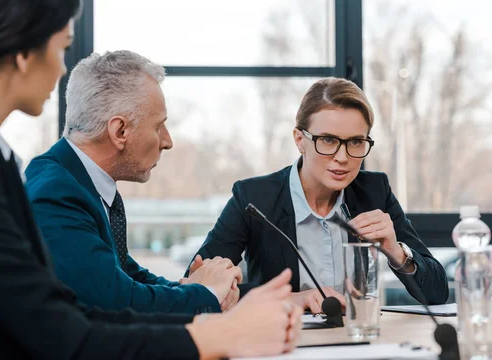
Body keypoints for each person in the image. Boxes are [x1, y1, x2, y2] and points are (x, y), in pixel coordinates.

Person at [0, 0, 301, 359]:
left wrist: (216, 316)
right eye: (62, 47)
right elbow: (63, 334)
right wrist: (221, 332)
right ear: (24, 54)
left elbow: (70, 314)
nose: (63, 67)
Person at [188, 77, 449, 312]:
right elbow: (196, 287)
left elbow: (437, 293)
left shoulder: (374, 191)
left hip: (357, 342)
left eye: (356, 142)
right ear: (300, 140)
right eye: (328, 140)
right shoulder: (253, 198)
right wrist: (293, 299)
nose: (342, 157)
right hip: (281, 344)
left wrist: (396, 251)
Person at [24, 50, 240, 314]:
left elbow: (128, 276)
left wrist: (194, 289)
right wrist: (203, 293)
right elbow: (114, 300)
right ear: (120, 131)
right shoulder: (56, 193)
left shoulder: (79, 182)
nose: (168, 141)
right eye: (158, 126)